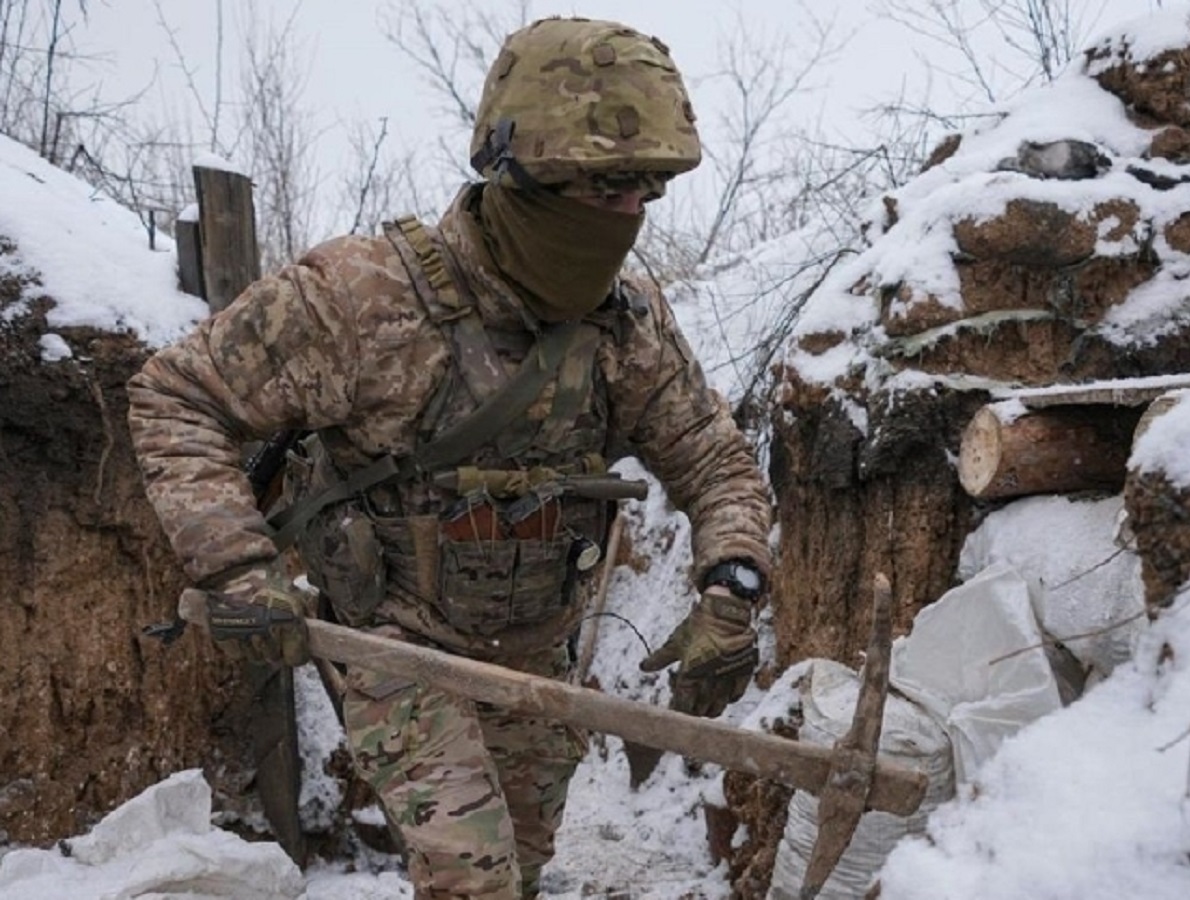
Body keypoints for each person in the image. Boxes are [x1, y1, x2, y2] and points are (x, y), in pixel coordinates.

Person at [127, 15, 771, 900]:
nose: (626, 218)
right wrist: (238, 568)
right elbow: (178, 395)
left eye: (644, 196)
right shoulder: (363, 298)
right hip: (394, 644)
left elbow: (713, 459)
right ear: (524, 178)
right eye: (603, 191)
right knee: (475, 879)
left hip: (540, 654)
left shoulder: (629, 324)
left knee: (526, 870)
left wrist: (730, 586)